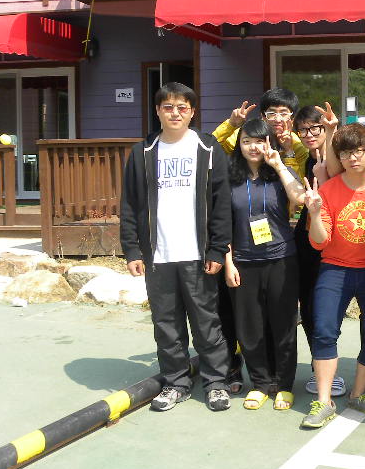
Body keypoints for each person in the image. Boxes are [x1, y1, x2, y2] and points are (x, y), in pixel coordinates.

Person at [120, 82, 233, 413]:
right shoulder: (142, 153)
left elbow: (222, 204)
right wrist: (132, 250)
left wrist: (217, 250)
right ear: (158, 111)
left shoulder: (208, 148)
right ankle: (177, 383)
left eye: (182, 107)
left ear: (192, 112)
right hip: (158, 256)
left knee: (207, 324)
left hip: (198, 255)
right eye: (168, 107)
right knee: (166, 325)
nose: (175, 113)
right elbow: (129, 204)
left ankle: (216, 383)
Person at [302, 123, 365, 428]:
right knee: (324, 330)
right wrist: (314, 213)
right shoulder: (327, 190)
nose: (352, 158)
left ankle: (359, 393)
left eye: (358, 151)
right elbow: (319, 242)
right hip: (335, 269)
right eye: (345, 153)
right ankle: (324, 400)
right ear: (338, 157)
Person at [222, 119, 307, 412]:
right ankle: (259, 383)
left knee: (283, 324)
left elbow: (299, 198)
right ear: (239, 145)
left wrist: (278, 164)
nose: (253, 147)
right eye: (246, 141)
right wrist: (228, 262)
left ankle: (283, 384)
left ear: (269, 142)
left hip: (281, 259)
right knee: (250, 328)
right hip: (244, 262)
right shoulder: (229, 177)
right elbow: (222, 224)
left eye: (259, 141)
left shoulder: (280, 173)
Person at [291, 105, 349, 400]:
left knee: (326, 307)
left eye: (315, 128)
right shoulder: (307, 159)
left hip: (333, 240)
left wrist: (332, 131)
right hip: (306, 239)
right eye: (303, 130)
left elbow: (335, 181)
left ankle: (331, 370)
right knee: (309, 306)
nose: (309, 134)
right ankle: (320, 367)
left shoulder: (337, 156)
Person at [213, 88, 308, 182]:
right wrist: (231, 124)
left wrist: (288, 151)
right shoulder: (246, 135)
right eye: (271, 113)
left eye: (284, 113)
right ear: (263, 116)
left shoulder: (297, 145)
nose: (278, 119)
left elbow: (299, 184)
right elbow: (210, 146)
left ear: (292, 118)